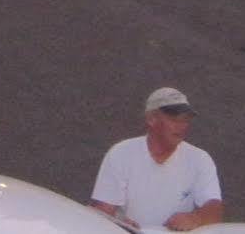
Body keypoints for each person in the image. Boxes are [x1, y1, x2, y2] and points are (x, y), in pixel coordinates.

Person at [90, 87, 223, 231]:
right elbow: (103, 213)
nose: (181, 126)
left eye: (185, 120)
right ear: (151, 119)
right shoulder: (121, 154)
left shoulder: (200, 160)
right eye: (174, 119)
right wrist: (119, 222)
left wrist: (196, 218)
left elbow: (214, 208)